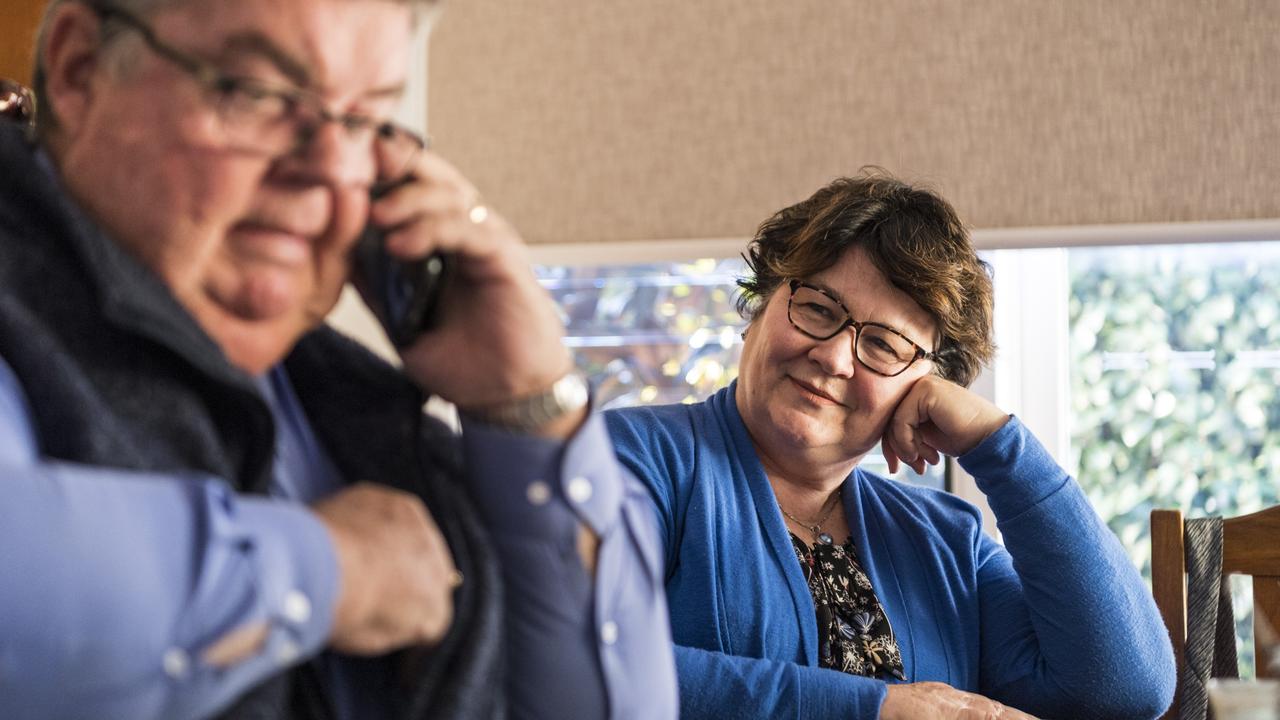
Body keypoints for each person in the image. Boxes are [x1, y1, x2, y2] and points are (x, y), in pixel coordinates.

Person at [0, 0, 677, 718]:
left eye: (364, 121)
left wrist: (526, 403)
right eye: (256, 92)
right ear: (79, 70)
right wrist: (325, 571)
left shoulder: (355, 411)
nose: (325, 168)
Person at [604, 172, 1177, 719]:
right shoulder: (630, 461)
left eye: (882, 345)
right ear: (763, 302)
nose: (832, 356)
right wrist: (877, 709)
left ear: (927, 384)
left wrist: (997, 445)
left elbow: (1123, 690)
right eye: (817, 309)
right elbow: (580, 667)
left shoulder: (950, 542)